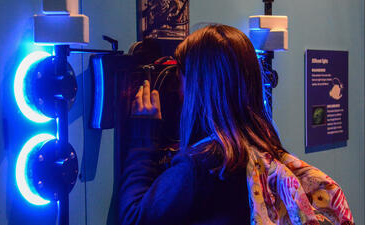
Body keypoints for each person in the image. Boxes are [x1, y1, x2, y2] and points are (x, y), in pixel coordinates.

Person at [117, 24, 354, 225]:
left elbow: (134, 217)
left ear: (198, 88)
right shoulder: (264, 152)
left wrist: (143, 134)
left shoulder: (202, 167)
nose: (178, 91)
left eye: (180, 79)